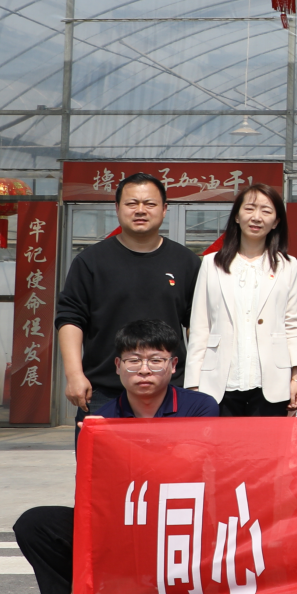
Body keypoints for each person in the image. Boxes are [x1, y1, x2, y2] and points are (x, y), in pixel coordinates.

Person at [14, 319, 219, 594]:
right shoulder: (101, 420)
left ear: (173, 365)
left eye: (155, 360)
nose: (144, 370)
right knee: (35, 523)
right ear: (118, 367)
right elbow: (98, 492)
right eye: (133, 361)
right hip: (124, 520)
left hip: (183, 521)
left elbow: (194, 469)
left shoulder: (201, 407)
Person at [54, 172, 198, 416]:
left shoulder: (186, 261)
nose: (140, 210)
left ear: (164, 209)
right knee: (100, 444)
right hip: (104, 392)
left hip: (170, 392)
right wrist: (74, 375)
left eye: (149, 204)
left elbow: (197, 325)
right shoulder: (91, 261)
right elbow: (70, 319)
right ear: (117, 208)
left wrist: (196, 378)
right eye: (132, 203)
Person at [186, 182, 297, 417]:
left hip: (272, 381)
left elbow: (293, 324)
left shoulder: (289, 266)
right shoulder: (211, 263)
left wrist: (296, 377)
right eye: (249, 208)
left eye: (266, 211)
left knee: (268, 441)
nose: (256, 217)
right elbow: (200, 327)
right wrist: (193, 382)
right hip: (220, 381)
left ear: (276, 221)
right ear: (237, 216)